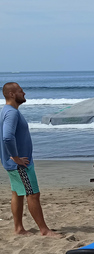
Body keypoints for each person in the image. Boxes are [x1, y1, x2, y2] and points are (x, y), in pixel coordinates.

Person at [0, 83, 60, 237]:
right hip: (21, 164)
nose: (24, 93)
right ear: (12, 94)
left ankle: (19, 228)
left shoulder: (6, 111)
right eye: (21, 91)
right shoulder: (11, 113)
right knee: (33, 194)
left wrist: (9, 157)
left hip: (14, 163)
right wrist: (16, 157)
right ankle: (44, 230)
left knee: (17, 193)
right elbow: (7, 137)